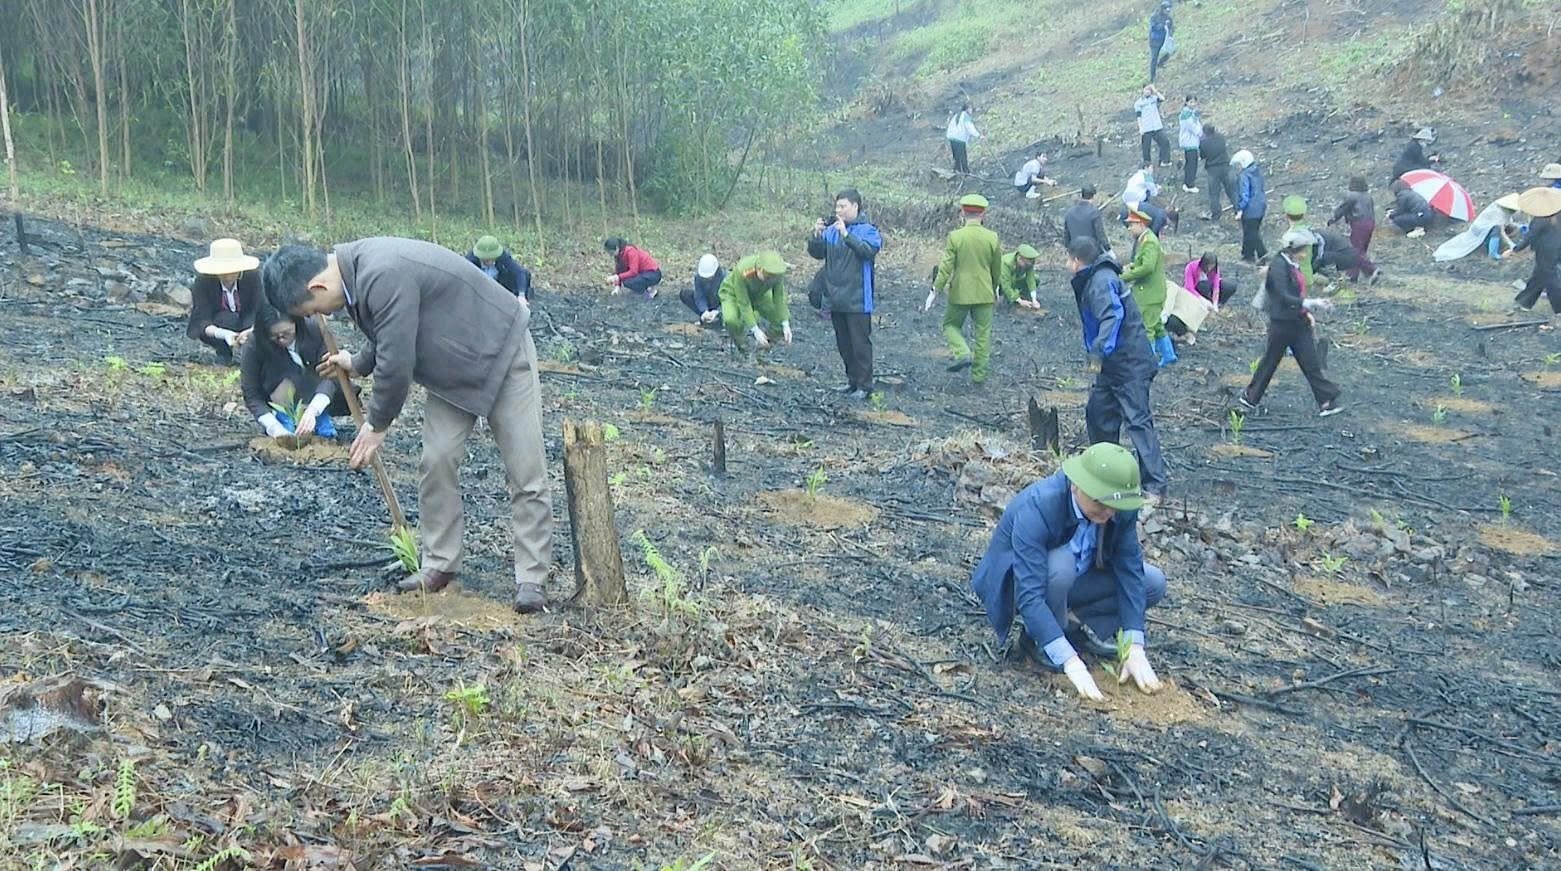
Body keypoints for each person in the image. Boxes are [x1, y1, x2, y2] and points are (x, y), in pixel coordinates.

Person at [261, 239, 553, 613]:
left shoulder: (381, 271)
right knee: (436, 461)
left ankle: (531, 578)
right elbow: (390, 330)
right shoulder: (353, 276)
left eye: (314, 307)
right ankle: (440, 563)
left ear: (317, 286)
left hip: (501, 348)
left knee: (525, 470)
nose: (325, 315)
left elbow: (397, 358)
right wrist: (358, 362)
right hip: (451, 369)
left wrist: (376, 424)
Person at [970, 442, 1168, 700]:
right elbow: (1029, 594)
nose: (1108, 513)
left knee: (1152, 582)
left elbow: (1130, 571)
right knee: (1060, 565)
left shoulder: (1119, 508)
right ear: (1076, 484)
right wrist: (1071, 662)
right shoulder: (1039, 506)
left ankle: (1070, 625)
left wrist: (1135, 646)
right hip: (1020, 586)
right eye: (1101, 501)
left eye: (1115, 506)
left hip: (1077, 578)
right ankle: (1038, 639)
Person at [1067, 238, 1167, 502]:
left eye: (1069, 260)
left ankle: (1154, 486)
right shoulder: (1096, 278)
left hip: (1129, 362)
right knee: (1099, 413)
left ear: (1077, 261)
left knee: (1137, 420)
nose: (1068, 265)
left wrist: (1099, 351)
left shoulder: (1101, 281)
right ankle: (1106, 470)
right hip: (1114, 365)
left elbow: (1113, 316)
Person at [1240, 229, 1343, 417]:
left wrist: (1306, 311)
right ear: (1292, 250)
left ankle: (1326, 400)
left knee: (1310, 362)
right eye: (1303, 250)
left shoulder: (1292, 265)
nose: (1305, 255)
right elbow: (1284, 296)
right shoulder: (1279, 267)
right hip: (1282, 324)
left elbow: (1296, 293)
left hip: (1298, 321)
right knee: (1270, 361)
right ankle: (1250, 397)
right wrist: (1311, 303)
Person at [808, 188, 883, 398]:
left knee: (860, 344)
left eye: (843, 206)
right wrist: (816, 235)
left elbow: (867, 252)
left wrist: (846, 235)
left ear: (855, 207)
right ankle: (852, 381)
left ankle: (865, 385)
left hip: (858, 297)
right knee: (844, 343)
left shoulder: (869, 230)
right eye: (837, 206)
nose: (838, 210)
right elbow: (817, 253)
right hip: (835, 296)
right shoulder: (831, 231)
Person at [240, 306, 350, 440]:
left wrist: (313, 410)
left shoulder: (314, 330)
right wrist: (273, 427)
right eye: (274, 336)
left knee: (326, 435)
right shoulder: (254, 344)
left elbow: (332, 375)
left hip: (314, 393)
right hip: (279, 400)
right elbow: (251, 393)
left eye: (286, 333)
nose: (281, 339)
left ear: (296, 323)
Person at [927, 194, 1003, 384]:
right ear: (983, 214)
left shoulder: (956, 237)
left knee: (950, 325)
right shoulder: (992, 237)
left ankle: (963, 352)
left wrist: (935, 290)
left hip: (960, 292)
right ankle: (978, 376)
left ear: (962, 212)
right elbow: (997, 268)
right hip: (985, 292)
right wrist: (994, 289)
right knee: (983, 334)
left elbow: (945, 267)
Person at [188, 238, 261, 365]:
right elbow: (201, 319)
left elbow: (263, 308)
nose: (227, 276)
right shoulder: (203, 282)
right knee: (226, 318)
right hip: (219, 324)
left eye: (232, 271)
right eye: (223, 272)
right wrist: (223, 334)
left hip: (250, 322)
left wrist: (252, 330)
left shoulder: (253, 278)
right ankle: (224, 354)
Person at [1121, 209, 1176, 367]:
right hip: (1152, 291)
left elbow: (1147, 268)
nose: (1129, 228)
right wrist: (1131, 266)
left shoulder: (1149, 242)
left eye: (1131, 225)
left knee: (1147, 328)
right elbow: (1143, 263)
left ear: (1140, 224)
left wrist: (1124, 277)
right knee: (1157, 325)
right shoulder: (1145, 239)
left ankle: (1147, 363)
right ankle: (1169, 355)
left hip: (1150, 293)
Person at [719, 251, 793, 354]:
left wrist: (785, 323)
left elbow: (779, 298)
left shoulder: (776, 273)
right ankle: (742, 344)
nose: (770, 281)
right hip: (733, 293)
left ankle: (765, 344)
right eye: (767, 278)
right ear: (759, 269)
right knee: (731, 320)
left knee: (781, 319)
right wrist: (755, 330)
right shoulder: (743, 270)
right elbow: (744, 302)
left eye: (773, 279)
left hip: (759, 294)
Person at [1433, 194, 1522, 263]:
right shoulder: (1498, 212)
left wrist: (1520, 228)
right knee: (1497, 230)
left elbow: (1508, 222)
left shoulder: (1505, 212)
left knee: (1506, 228)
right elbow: (1501, 230)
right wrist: (1511, 244)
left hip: (1489, 227)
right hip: (1480, 229)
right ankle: (1493, 254)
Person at [1327, 176, 1380, 283]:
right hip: (1370, 223)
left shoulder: (1352, 196)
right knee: (1361, 250)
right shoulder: (1368, 196)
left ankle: (1371, 269)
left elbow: (1343, 208)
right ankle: (1352, 275)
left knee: (1354, 251)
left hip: (1359, 224)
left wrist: (1334, 218)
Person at [1512, 214, 1560, 313]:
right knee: (1539, 276)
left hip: (1546, 251)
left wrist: (1516, 249)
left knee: (1550, 279)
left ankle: (1559, 307)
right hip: (1556, 249)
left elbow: (1531, 236)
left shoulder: (1541, 217)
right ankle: (1525, 302)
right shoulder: (1557, 214)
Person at [466, 235, 532, 300]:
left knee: (525, 275)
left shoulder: (503, 255)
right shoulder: (470, 260)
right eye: (487, 260)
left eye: (493, 258)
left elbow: (519, 272)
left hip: (498, 284)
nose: (491, 262)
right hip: (479, 286)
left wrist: (521, 296)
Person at [1232, 150, 1268, 262]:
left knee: (1251, 232)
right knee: (1251, 231)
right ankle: (1247, 254)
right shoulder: (1257, 171)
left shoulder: (1244, 175)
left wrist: (1240, 209)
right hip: (1261, 206)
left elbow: (1245, 195)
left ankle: (1262, 254)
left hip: (1250, 209)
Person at [1199, 123, 1239, 220]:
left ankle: (1216, 214)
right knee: (1232, 191)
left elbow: (1203, 156)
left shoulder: (1203, 143)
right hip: (1226, 166)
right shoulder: (1221, 138)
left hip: (1213, 170)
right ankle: (1238, 210)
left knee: (1214, 194)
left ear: (1205, 132)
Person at [1063, 185, 1113, 256]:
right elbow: (1100, 234)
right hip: (1092, 252)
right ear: (1093, 196)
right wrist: (1108, 249)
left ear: (1081, 195)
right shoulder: (1094, 212)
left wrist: (1068, 249)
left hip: (1076, 252)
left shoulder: (1069, 212)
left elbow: (1066, 235)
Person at [1282, 196, 1315, 290]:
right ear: (1304, 215)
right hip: (1308, 275)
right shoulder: (1308, 232)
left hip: (1296, 278)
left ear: (1286, 215)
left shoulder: (1288, 237)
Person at [1134, 85, 1172, 167]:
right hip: (1146, 127)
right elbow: (1138, 116)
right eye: (1146, 89)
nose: (1148, 91)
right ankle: (1147, 164)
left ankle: (1164, 160)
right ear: (1142, 90)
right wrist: (1141, 127)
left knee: (1165, 142)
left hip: (1157, 126)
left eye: (1149, 90)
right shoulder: (1138, 103)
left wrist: (1155, 91)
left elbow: (1162, 99)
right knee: (1146, 147)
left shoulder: (1154, 99)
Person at [681, 254, 725, 324]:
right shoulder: (698, 277)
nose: (706, 279)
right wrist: (704, 311)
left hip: (722, 304)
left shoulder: (726, 278)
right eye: (704, 278)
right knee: (685, 294)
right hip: (709, 303)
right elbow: (699, 296)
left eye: (709, 277)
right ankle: (706, 318)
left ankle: (721, 318)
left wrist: (718, 311)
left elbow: (731, 300)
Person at [1000, 244, 1042, 309]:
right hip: (1000, 285)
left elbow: (1031, 279)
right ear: (1019, 258)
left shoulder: (1029, 264)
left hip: (1014, 282)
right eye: (1026, 264)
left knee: (1036, 278)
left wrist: (1034, 300)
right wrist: (1019, 300)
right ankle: (1015, 299)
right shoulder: (1006, 263)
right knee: (1007, 291)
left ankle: (1024, 297)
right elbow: (1005, 285)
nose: (1028, 267)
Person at [945, 101, 980, 175]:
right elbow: (970, 128)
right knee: (962, 155)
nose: (971, 110)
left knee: (956, 155)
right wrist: (978, 135)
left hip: (952, 136)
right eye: (970, 108)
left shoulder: (958, 115)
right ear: (967, 109)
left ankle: (957, 169)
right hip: (959, 138)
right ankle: (966, 171)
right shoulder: (965, 117)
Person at [1178, 96, 1202, 193]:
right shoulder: (1186, 114)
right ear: (1187, 102)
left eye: (1194, 102)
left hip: (1192, 141)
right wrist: (1201, 133)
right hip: (1189, 141)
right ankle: (1189, 184)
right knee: (1192, 163)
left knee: (1189, 163)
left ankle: (1187, 182)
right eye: (1191, 102)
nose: (1193, 104)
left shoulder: (1191, 113)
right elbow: (1192, 127)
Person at [1148, 1, 1173, 84]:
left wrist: (1170, 32)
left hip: (1164, 40)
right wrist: (1162, 25)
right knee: (1154, 58)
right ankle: (1152, 76)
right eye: (1166, 9)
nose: (1167, 11)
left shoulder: (1169, 18)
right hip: (1155, 40)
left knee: (1169, 52)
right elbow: (1153, 27)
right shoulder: (1154, 17)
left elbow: (1172, 29)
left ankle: (1161, 63)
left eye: (1169, 10)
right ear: (1162, 9)